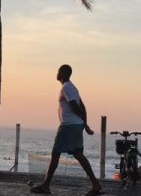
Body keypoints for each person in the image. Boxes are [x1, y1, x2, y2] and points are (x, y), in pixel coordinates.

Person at [31, 64, 102, 196]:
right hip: (76, 125)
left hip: (68, 126)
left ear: (62, 73)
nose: (56, 73)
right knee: (78, 154)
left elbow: (75, 105)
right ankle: (95, 184)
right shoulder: (72, 87)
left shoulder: (66, 87)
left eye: (58, 71)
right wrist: (84, 123)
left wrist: (83, 122)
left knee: (55, 153)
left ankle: (46, 186)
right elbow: (83, 106)